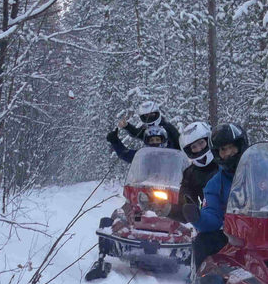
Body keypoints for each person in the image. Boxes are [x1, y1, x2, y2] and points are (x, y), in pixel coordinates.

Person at [191, 122, 247, 269]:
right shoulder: (215, 184)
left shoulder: (266, 169)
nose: (228, 153)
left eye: (231, 147)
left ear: (240, 145)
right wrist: (197, 217)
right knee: (204, 241)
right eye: (223, 149)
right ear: (217, 153)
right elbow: (213, 217)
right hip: (235, 236)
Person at [106, 99, 181, 162]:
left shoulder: (168, 128)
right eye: (146, 116)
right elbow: (126, 154)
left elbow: (179, 143)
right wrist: (115, 141)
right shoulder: (145, 156)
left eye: (158, 139)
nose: (154, 142)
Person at [176, 121, 217, 221]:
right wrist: (166, 209)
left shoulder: (224, 162)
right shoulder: (189, 173)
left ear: (208, 140)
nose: (199, 149)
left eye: (201, 143)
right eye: (194, 147)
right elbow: (184, 206)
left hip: (233, 218)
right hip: (208, 221)